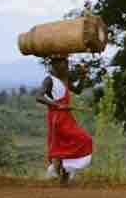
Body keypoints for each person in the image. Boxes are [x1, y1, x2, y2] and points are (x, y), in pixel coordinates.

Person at [36, 56, 93, 186]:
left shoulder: (65, 79)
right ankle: (62, 175)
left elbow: (77, 91)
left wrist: (83, 76)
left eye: (66, 62)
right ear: (54, 65)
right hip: (57, 118)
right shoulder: (49, 80)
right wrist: (57, 105)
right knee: (72, 142)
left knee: (72, 143)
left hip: (67, 116)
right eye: (62, 63)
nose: (66, 65)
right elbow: (38, 97)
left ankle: (64, 176)